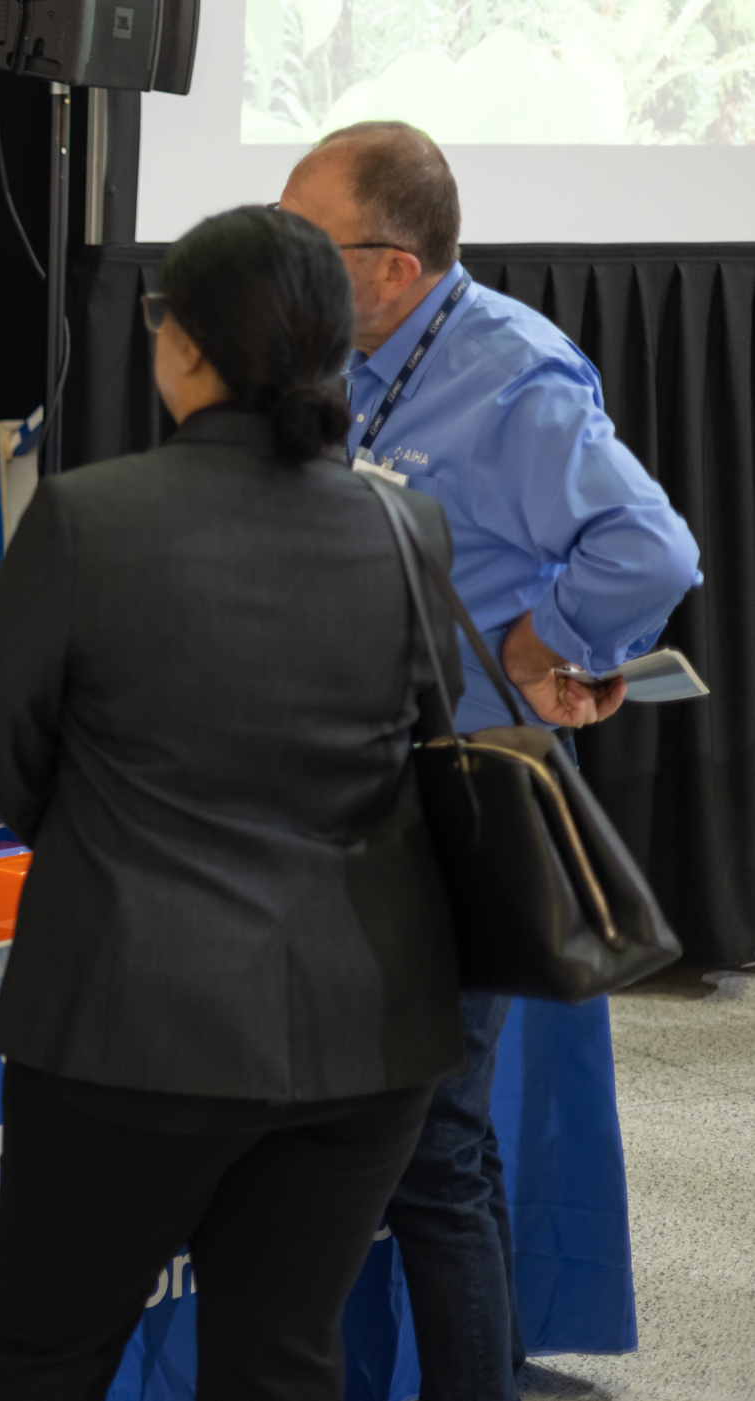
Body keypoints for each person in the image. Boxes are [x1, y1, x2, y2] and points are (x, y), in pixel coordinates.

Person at [0, 206, 466, 1400]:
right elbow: (424, 744)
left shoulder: (86, 516)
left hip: (133, 1021)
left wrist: (113, 846)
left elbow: (3, 753)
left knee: (49, 1348)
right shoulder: (408, 522)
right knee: (283, 1357)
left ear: (181, 344)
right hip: (368, 1024)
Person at [279, 121, 702, 1401]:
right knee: (353, 1143)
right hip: (327, 807)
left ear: (394, 267)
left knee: (436, 1149)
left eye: (309, 239)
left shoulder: (513, 372)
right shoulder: (332, 359)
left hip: (448, 811)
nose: (281, 259)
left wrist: (541, 643)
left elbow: (652, 551)